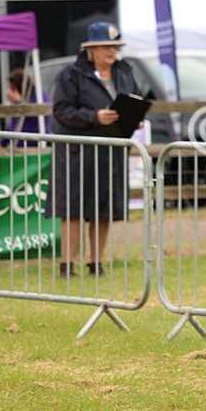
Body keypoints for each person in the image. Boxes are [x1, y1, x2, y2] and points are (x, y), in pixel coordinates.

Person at [46, 22, 141, 277]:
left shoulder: (124, 72)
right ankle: (67, 264)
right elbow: (61, 111)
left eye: (114, 46)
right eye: (105, 47)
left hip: (111, 151)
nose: (111, 52)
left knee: (104, 208)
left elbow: (137, 98)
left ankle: (96, 262)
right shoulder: (72, 74)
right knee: (73, 208)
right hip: (78, 152)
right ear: (92, 49)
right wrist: (94, 116)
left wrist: (134, 117)